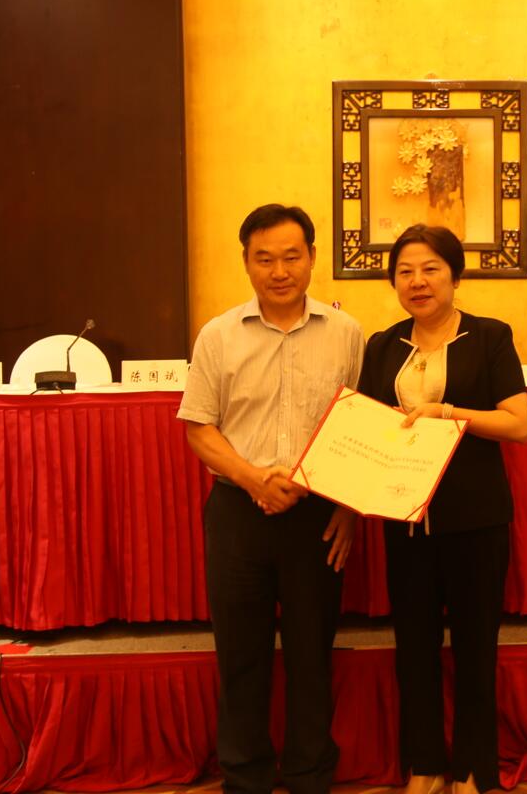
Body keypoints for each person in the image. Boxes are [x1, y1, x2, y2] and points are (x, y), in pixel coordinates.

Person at [177, 203, 363, 794]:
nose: (279, 271)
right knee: (241, 656)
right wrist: (254, 478)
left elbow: (361, 427)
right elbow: (199, 427)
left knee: (312, 655)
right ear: (246, 263)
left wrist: (348, 509)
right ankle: (245, 778)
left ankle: (310, 777)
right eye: (264, 259)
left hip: (318, 517)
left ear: (311, 258)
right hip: (239, 513)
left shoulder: (347, 334)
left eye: (290, 257)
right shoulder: (218, 335)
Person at [356, 224, 527, 794]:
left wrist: (450, 413)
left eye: (431, 269)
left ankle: (473, 769)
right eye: (405, 271)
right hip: (406, 519)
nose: (418, 281)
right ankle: (426, 766)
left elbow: (519, 425)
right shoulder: (382, 346)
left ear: (455, 276)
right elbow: (367, 427)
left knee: (476, 648)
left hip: (475, 519)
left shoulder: (489, 337)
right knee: (414, 649)